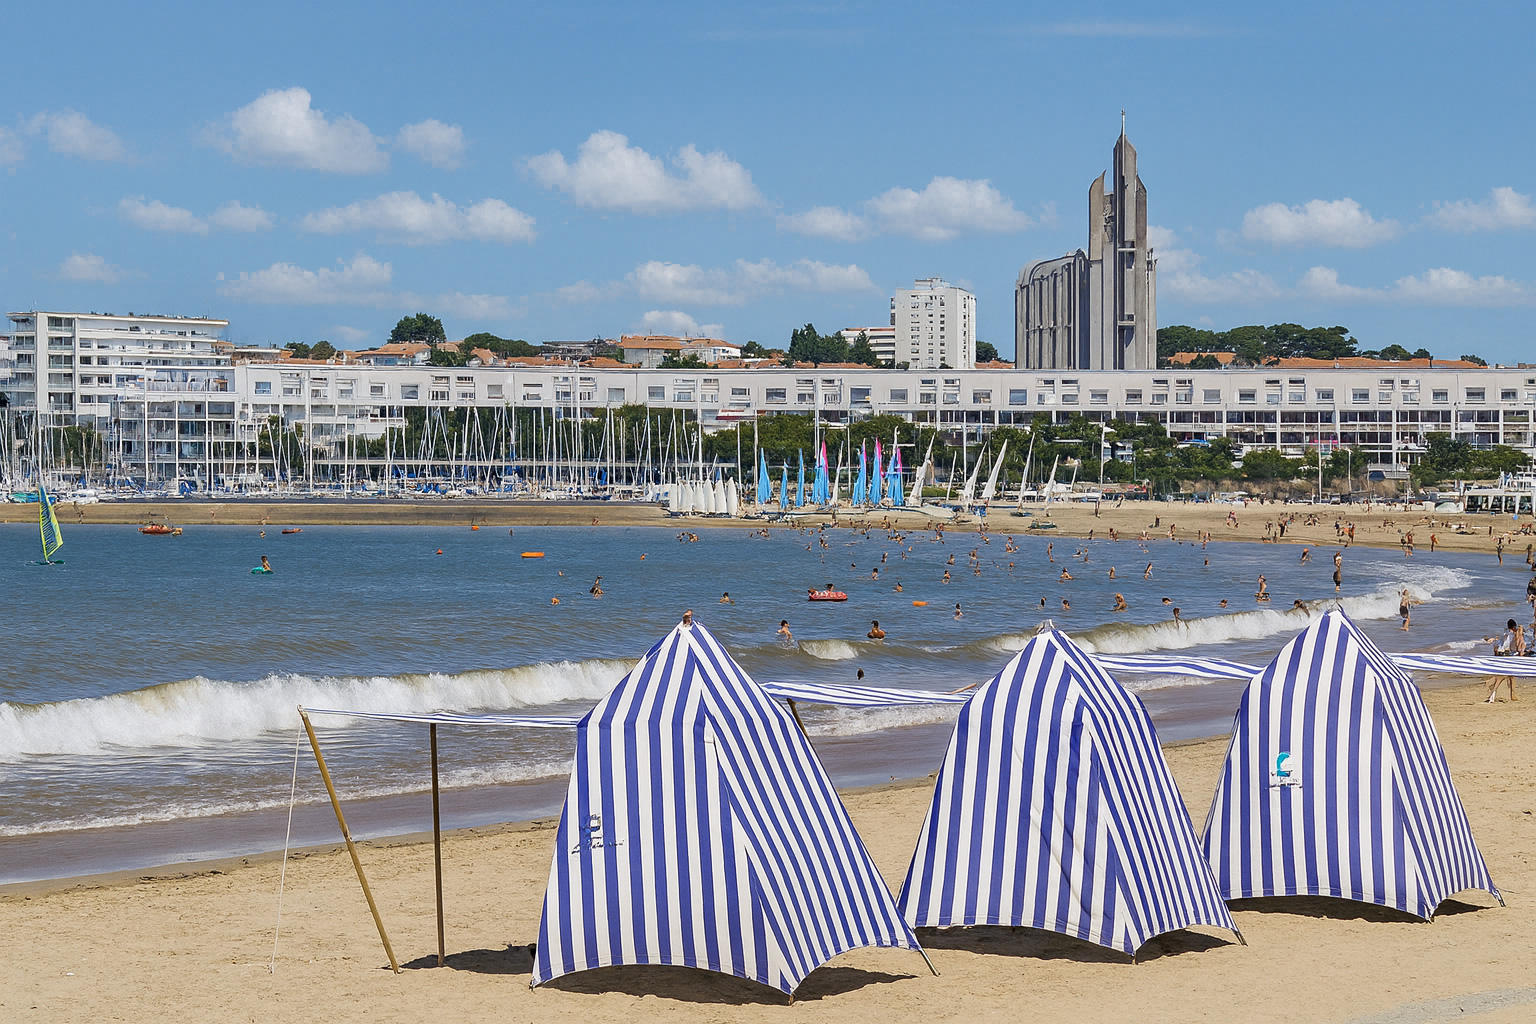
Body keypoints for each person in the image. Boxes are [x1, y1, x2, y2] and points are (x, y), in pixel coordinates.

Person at [1486, 618, 1525, 702]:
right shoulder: (1512, 635)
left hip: (1501, 655)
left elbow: (1497, 646)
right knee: (1501, 677)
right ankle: (1493, 693)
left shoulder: (1504, 634)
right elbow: (1513, 646)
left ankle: (1512, 695)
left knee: (1510, 676)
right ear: (1514, 627)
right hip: (1506, 656)